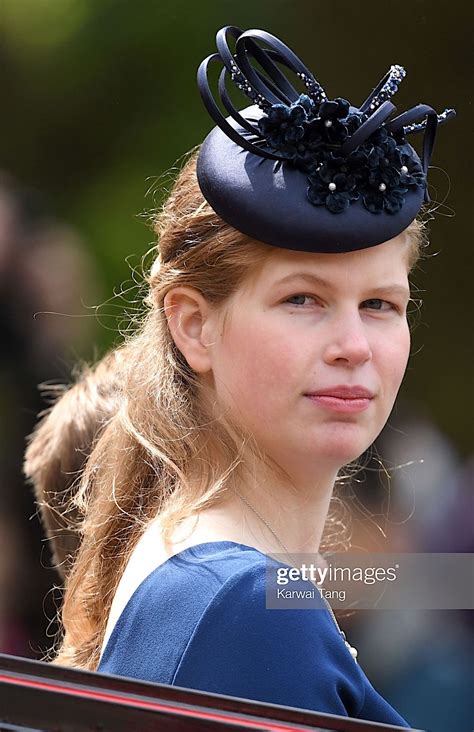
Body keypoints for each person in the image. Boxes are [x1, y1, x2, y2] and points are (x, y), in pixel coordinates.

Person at [23, 25, 455, 726]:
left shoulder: (220, 585)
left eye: (380, 304)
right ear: (194, 325)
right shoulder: (243, 608)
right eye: (302, 299)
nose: (354, 344)